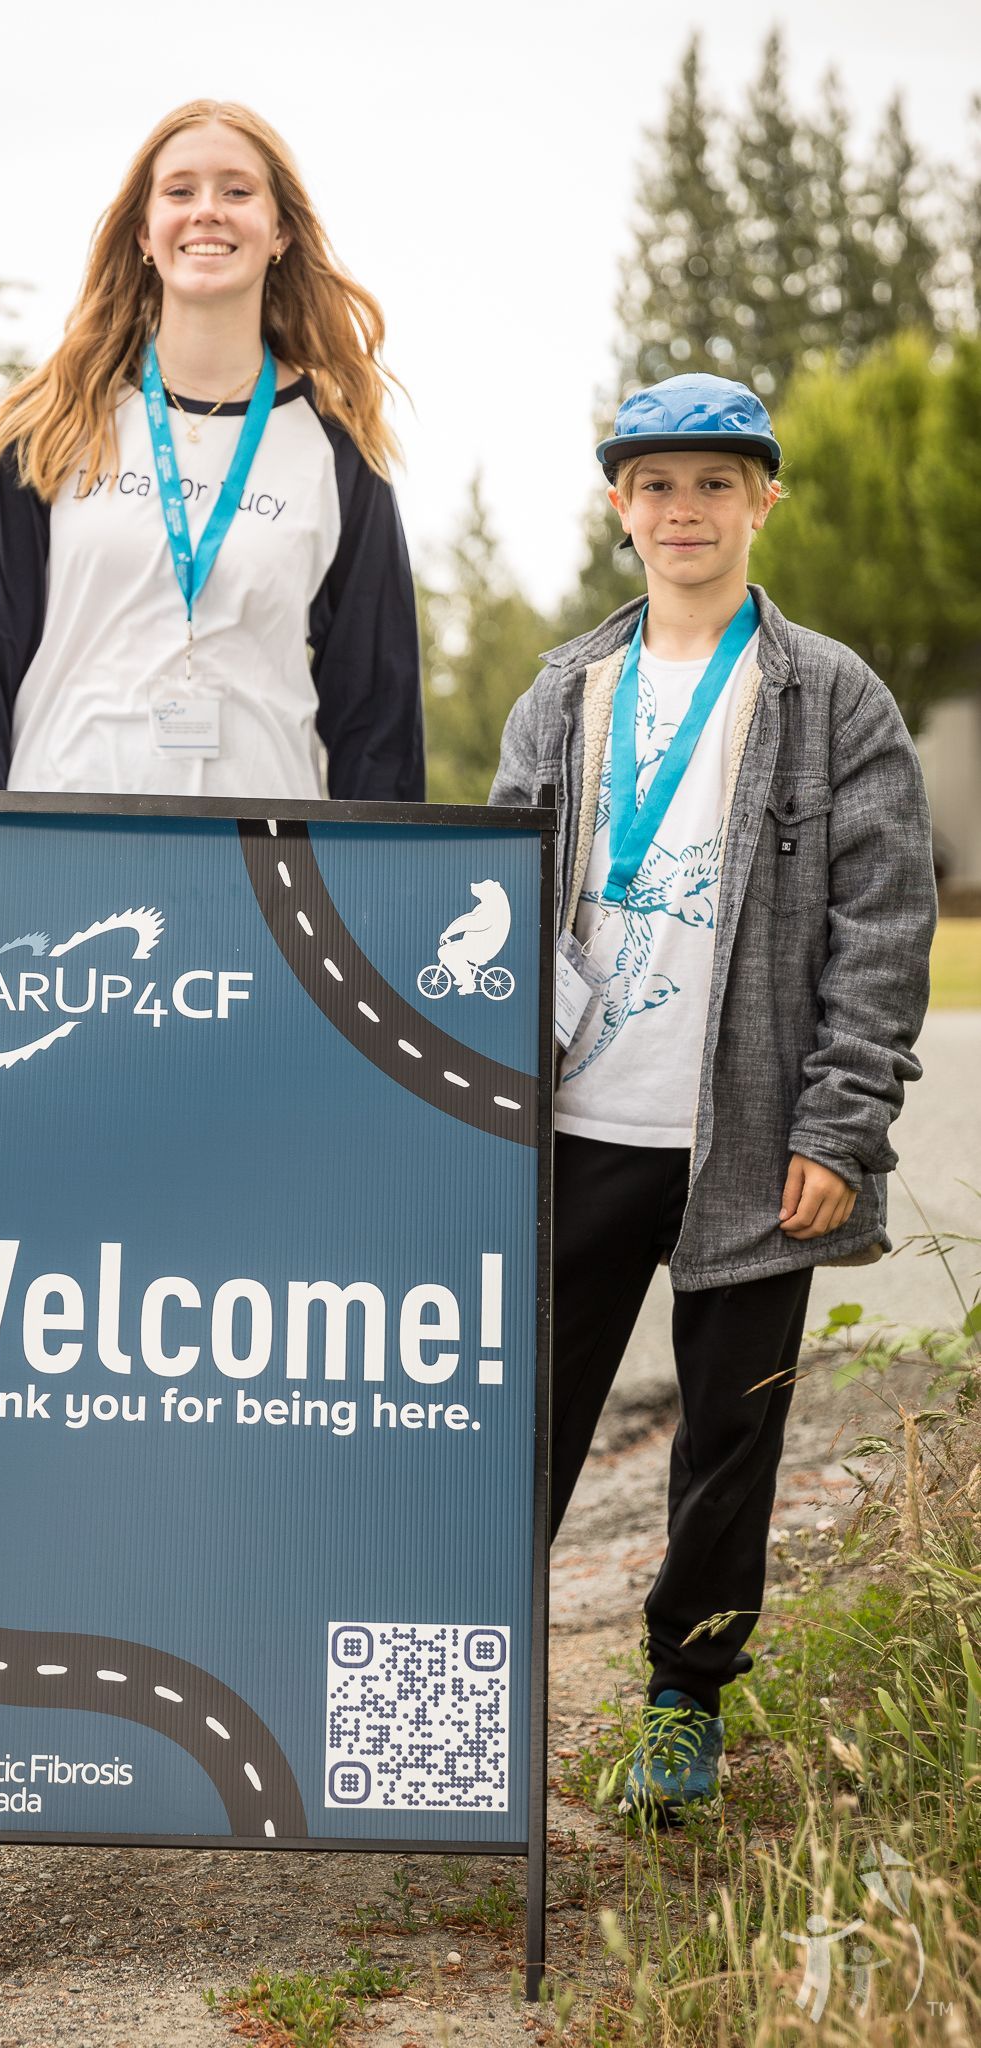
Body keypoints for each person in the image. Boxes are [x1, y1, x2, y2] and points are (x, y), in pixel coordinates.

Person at [489, 373, 936, 1818]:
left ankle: (684, 1701)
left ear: (762, 500)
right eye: (657, 485)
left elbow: (884, 922)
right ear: (620, 507)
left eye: (715, 484)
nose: (685, 510)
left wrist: (838, 1124)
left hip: (753, 1137)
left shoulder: (828, 694)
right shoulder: (566, 691)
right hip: (576, 1125)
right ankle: (460, 1675)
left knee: (729, 1432)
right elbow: (490, 904)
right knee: (519, 1417)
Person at [0, 100, 423, 803]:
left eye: (237, 190)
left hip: (266, 863)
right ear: (143, 232)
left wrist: (377, 890)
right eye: (180, 191)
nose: (207, 211)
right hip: (62, 836)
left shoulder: (340, 452)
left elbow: (377, 716)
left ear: (279, 231)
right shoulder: (53, 424)